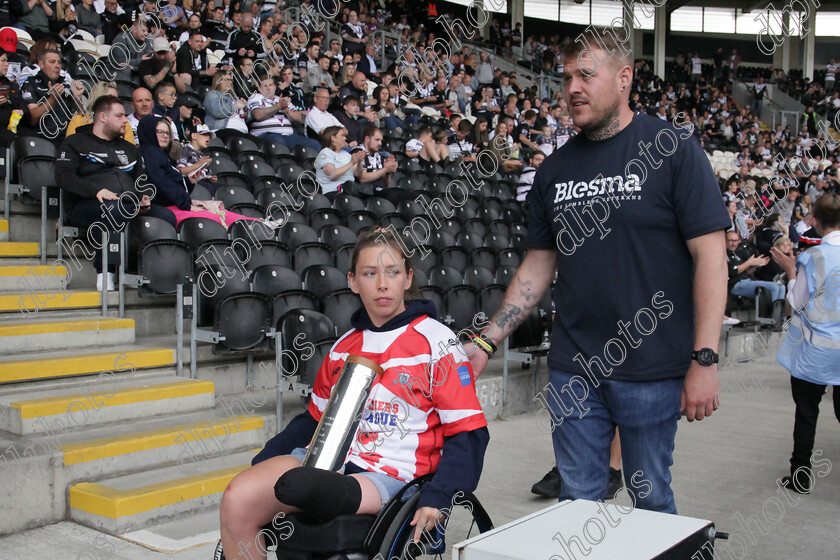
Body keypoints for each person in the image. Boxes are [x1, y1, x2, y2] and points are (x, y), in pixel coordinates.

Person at [466, 31, 731, 514]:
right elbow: (538, 265)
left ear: (624, 77)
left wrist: (705, 358)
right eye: (566, 77)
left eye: (586, 74)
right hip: (574, 369)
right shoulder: (554, 171)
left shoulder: (671, 149)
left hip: (653, 369)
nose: (572, 88)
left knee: (652, 502)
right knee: (576, 506)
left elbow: (711, 257)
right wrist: (487, 340)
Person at [219, 226, 490, 560]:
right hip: (329, 461)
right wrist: (264, 461)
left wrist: (441, 494)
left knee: (306, 489)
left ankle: (315, 488)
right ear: (352, 281)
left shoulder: (438, 342)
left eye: (392, 272)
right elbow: (314, 421)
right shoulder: (343, 347)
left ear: (407, 278)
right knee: (237, 498)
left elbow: (469, 433)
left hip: (394, 475)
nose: (382, 284)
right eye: (370, 273)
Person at [55, 95, 176, 291]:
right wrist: (96, 191)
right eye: (119, 115)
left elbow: (141, 180)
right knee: (114, 210)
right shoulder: (75, 142)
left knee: (166, 217)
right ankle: (105, 272)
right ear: (102, 117)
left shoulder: (129, 149)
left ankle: (152, 272)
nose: (125, 120)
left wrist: (143, 197)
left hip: (127, 205)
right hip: (85, 205)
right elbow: (63, 177)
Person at [771, 193, 840, 494]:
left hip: (815, 351)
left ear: (814, 220)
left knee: (807, 413)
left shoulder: (813, 257)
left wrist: (790, 272)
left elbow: (797, 302)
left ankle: (800, 476)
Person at [137, 115, 269, 228]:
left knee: (219, 212)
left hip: (176, 205)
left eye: (167, 133)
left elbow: (171, 184)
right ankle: (257, 225)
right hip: (167, 208)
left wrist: (189, 182)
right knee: (214, 219)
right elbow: (162, 183)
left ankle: (258, 223)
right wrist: (186, 204)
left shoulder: (160, 154)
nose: (165, 136)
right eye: (160, 132)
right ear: (149, 132)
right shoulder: (151, 152)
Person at [726, 230, 785, 327]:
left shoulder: (736, 254)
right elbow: (733, 272)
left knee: (781, 287)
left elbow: (746, 271)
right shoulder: (724, 254)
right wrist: (749, 262)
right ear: (725, 241)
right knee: (773, 287)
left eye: (736, 241)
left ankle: (778, 318)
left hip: (746, 281)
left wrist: (755, 265)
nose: (733, 243)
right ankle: (769, 320)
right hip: (736, 285)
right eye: (731, 240)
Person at [247, 75, 319, 151]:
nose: (268, 88)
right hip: (266, 135)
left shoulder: (282, 100)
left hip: (288, 136)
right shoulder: (256, 97)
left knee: (314, 144)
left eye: (270, 85)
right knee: (279, 142)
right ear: (259, 88)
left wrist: (287, 111)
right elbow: (258, 115)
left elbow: (299, 119)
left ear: (275, 87)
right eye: (265, 86)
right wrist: (278, 106)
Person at [20, 49, 78, 142]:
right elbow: (33, 118)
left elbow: (78, 117)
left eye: (59, 62)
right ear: (41, 64)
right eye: (52, 62)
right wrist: (52, 99)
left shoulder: (65, 85)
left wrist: (77, 98)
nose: (57, 66)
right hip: (41, 139)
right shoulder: (30, 83)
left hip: (66, 140)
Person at [66, 81, 134, 143]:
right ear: (97, 98)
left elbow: (130, 152)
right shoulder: (78, 120)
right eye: (110, 99)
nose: (115, 103)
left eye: (116, 99)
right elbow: (70, 146)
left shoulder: (124, 124)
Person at [314, 125, 365, 199]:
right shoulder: (325, 153)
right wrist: (351, 163)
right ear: (333, 138)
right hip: (332, 192)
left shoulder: (346, 154)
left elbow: (357, 173)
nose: (345, 138)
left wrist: (359, 161)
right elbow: (332, 175)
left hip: (349, 191)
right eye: (342, 135)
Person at [356, 125, 398, 200]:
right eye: (377, 140)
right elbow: (362, 178)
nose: (380, 143)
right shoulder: (359, 152)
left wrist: (388, 172)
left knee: (413, 196)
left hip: (381, 191)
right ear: (367, 139)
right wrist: (384, 170)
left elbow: (386, 184)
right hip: (367, 191)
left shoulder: (378, 155)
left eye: (381, 140)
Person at [177, 122, 217, 194]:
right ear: (194, 136)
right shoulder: (185, 150)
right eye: (204, 134)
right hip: (190, 186)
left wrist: (211, 179)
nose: (208, 137)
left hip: (204, 186)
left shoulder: (203, 156)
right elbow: (180, 171)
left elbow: (207, 175)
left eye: (209, 136)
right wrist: (199, 165)